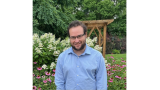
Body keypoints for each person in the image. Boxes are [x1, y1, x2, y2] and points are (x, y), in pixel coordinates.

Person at [55, 20, 107, 90]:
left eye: (79, 36)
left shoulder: (97, 56)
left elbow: (102, 84)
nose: (76, 41)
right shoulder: (62, 57)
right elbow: (59, 83)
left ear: (85, 35)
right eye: (73, 37)